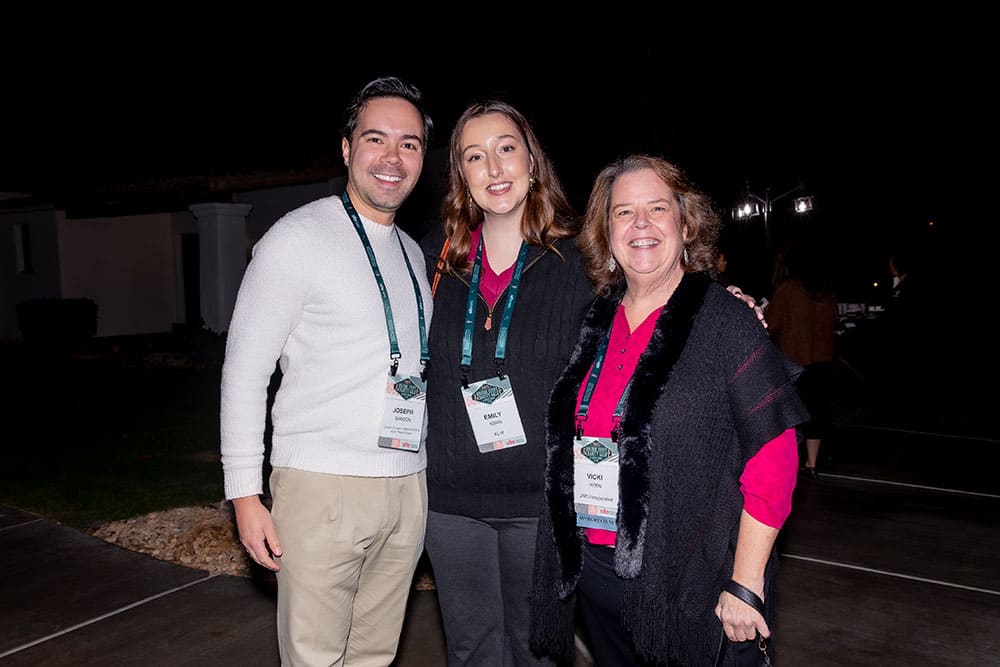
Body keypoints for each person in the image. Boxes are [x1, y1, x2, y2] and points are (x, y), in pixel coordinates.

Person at [529, 154, 809, 666]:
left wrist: (746, 581)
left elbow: (774, 456)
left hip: (693, 579)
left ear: (685, 223)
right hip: (596, 569)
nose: (641, 224)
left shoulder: (726, 322)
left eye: (657, 208)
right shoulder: (593, 321)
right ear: (606, 231)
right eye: (623, 212)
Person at [220, 76, 435, 666]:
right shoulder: (296, 238)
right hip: (321, 489)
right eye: (375, 139)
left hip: (406, 484)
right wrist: (244, 494)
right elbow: (244, 372)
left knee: (374, 656)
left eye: (410, 144)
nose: (392, 157)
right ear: (346, 148)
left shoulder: (412, 253)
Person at [419, 100, 595, 666]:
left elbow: (651, 313)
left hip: (541, 502)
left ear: (532, 161)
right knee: (471, 651)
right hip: (450, 505)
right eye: (475, 156)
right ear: (461, 175)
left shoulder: (583, 260)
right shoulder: (433, 261)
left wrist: (722, 302)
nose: (494, 169)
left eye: (506, 149)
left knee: (538, 650)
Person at [765, 238, 838, 479]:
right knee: (817, 413)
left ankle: (790, 463)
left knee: (791, 416)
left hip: (795, 363)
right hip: (824, 360)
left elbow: (772, 324)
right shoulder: (826, 291)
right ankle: (812, 463)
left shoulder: (788, 291)